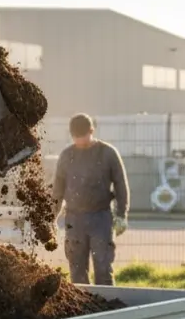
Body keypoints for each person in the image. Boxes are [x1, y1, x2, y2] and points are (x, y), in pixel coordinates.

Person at [51, 113, 129, 285]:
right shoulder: (66, 156)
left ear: (91, 131)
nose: (79, 141)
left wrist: (122, 214)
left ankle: (106, 306)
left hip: (101, 218)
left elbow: (120, 185)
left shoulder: (108, 153)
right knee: (77, 269)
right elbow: (58, 190)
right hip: (74, 220)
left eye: (83, 136)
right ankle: (83, 310)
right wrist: (51, 218)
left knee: (103, 268)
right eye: (76, 137)